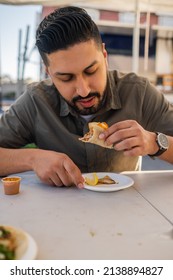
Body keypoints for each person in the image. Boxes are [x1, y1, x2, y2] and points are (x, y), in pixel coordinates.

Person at [0, 6, 173, 188]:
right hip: (57, 212)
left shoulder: (139, 92)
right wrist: (32, 159)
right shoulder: (35, 102)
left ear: (104, 56)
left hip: (127, 207)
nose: (83, 90)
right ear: (49, 73)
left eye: (91, 71)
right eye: (66, 78)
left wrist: (155, 142)